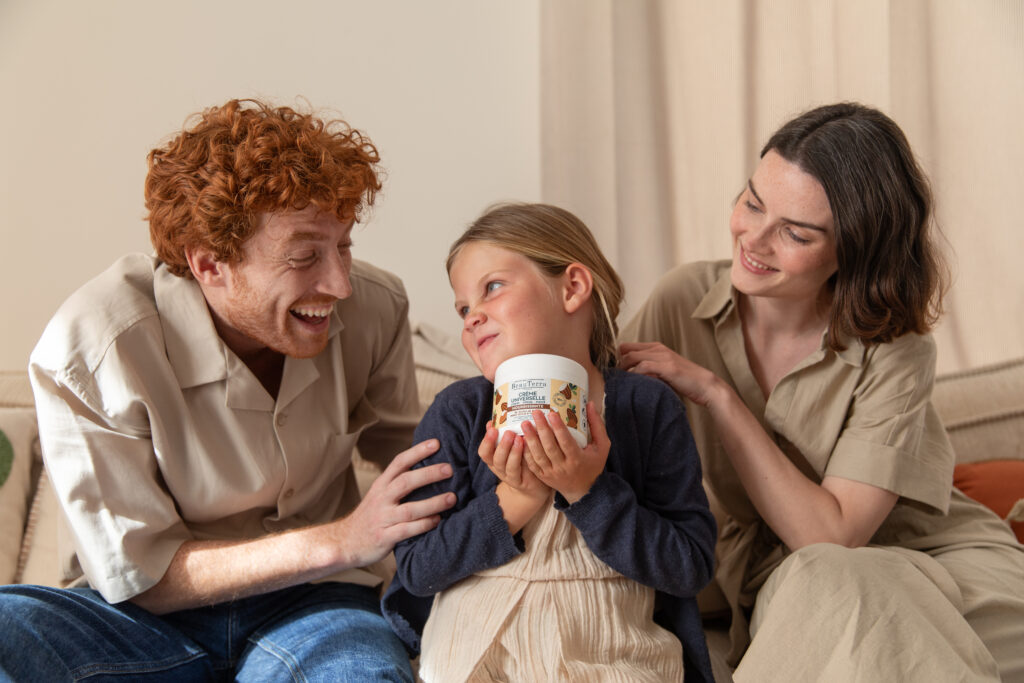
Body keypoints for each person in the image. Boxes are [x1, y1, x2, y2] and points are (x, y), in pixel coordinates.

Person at [0, 99, 455, 682]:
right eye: (305, 255)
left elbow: (426, 458)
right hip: (138, 622)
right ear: (211, 263)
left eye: (344, 245)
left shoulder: (376, 307)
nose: (339, 283)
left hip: (315, 606)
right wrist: (344, 539)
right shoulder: (92, 348)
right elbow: (146, 575)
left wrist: (587, 370)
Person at [619, 102, 1024, 682]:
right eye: (753, 202)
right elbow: (589, 410)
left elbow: (831, 536)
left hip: (943, 563)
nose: (754, 239)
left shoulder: (897, 350)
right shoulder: (682, 300)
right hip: (802, 578)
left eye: (795, 233)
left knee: (843, 593)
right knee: (831, 596)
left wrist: (719, 397)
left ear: (851, 252)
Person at [381, 203, 717, 682]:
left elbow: (690, 565)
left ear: (573, 288)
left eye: (491, 288)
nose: (472, 317)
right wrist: (512, 500)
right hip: (478, 648)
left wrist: (589, 493)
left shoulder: (647, 407)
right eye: (463, 309)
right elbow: (417, 567)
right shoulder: (457, 412)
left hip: (611, 650)